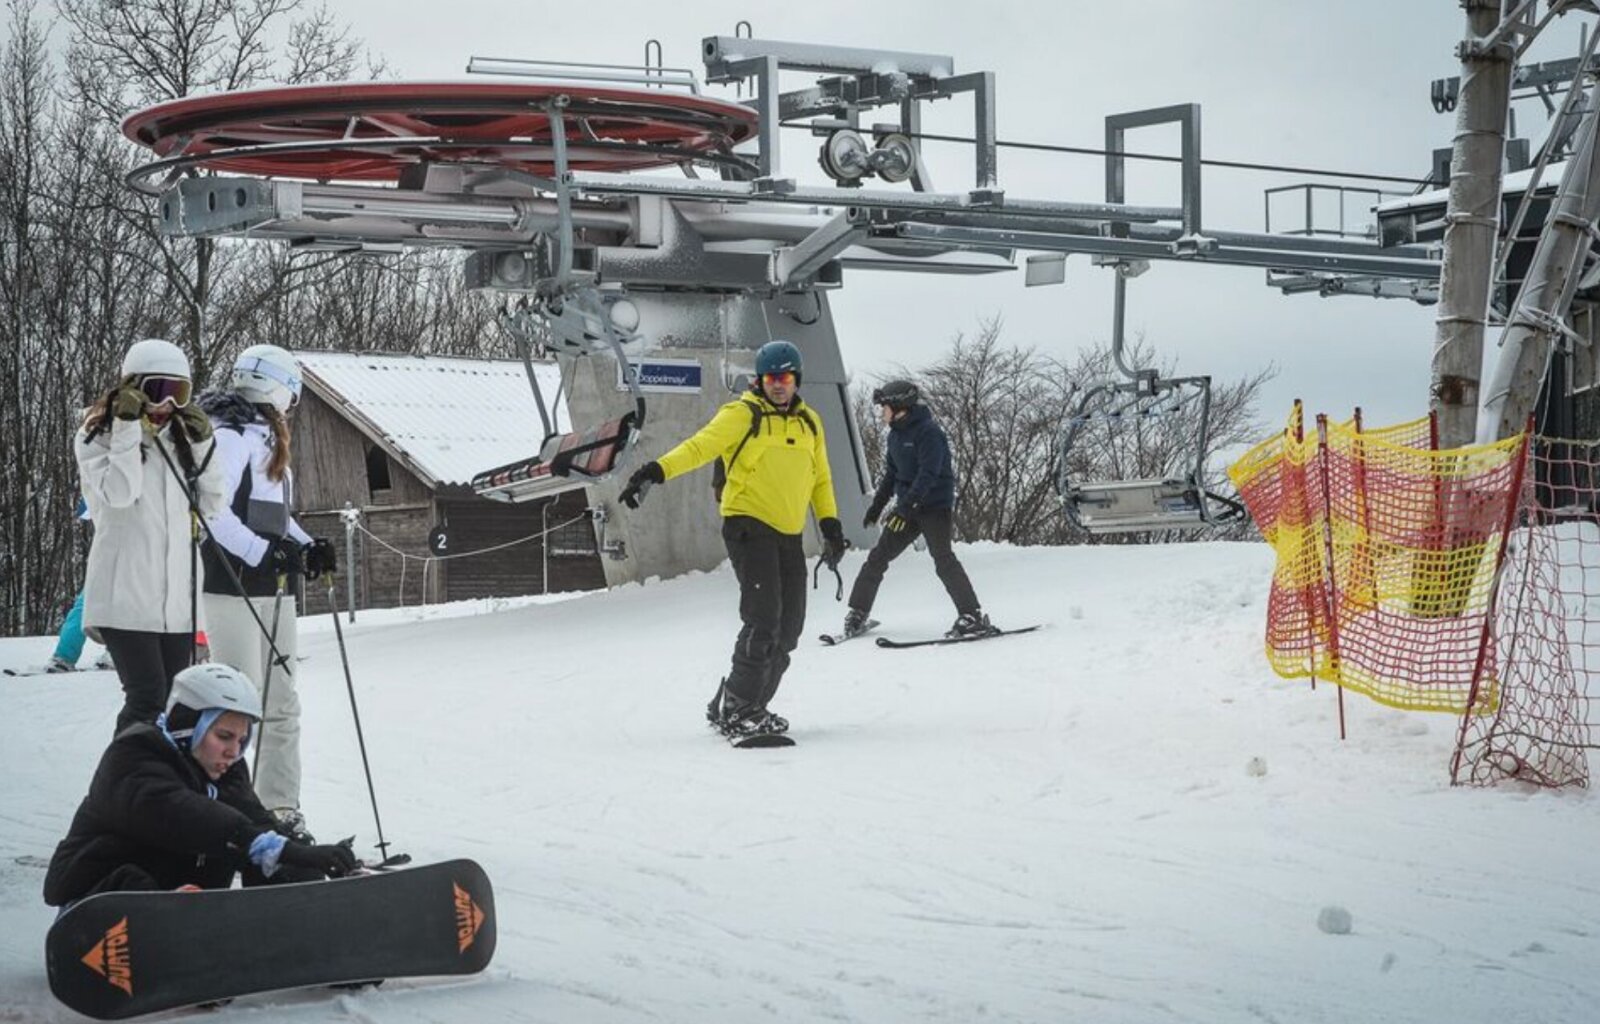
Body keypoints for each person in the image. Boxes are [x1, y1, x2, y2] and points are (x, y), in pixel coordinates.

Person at [619, 340, 846, 737]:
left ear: (797, 380)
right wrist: (654, 471)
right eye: (772, 378)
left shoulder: (810, 421)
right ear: (760, 380)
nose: (779, 385)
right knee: (763, 620)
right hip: (748, 525)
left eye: (786, 377)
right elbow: (700, 447)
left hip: (789, 533)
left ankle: (744, 702)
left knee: (789, 628)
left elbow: (821, 478)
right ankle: (740, 706)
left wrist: (830, 525)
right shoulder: (742, 414)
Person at [43, 663, 358, 908]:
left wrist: (304, 857)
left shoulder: (226, 767)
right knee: (146, 877)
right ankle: (174, 937)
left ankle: (325, 936)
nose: (234, 751)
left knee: (277, 862)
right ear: (188, 726)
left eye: (241, 739)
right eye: (223, 736)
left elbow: (256, 823)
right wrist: (268, 843)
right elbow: (183, 813)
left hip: (184, 901)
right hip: (98, 896)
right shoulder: (134, 753)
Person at [198, 344, 335, 841]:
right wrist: (263, 552)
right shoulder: (229, 437)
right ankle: (230, 809)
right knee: (239, 703)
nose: (289, 409)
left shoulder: (265, 439)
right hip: (232, 586)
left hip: (274, 589)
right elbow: (213, 514)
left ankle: (279, 807)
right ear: (280, 389)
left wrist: (306, 546)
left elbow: (276, 516)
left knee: (282, 702)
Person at [76, 339, 225, 734]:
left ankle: (162, 787)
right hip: (124, 595)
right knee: (146, 698)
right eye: (160, 391)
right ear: (133, 386)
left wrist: (203, 443)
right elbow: (120, 495)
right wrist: (126, 426)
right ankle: (123, 785)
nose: (169, 405)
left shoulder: (181, 443)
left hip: (175, 601)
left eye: (181, 394)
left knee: (175, 702)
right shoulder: (97, 438)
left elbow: (212, 504)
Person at [840, 379, 995, 640]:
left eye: (884, 407)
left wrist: (905, 506)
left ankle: (972, 616)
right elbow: (891, 475)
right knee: (877, 558)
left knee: (943, 560)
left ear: (899, 407)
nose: (881, 412)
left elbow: (929, 474)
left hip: (934, 508)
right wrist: (876, 508)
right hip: (908, 511)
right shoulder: (895, 436)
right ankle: (857, 613)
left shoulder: (928, 433)